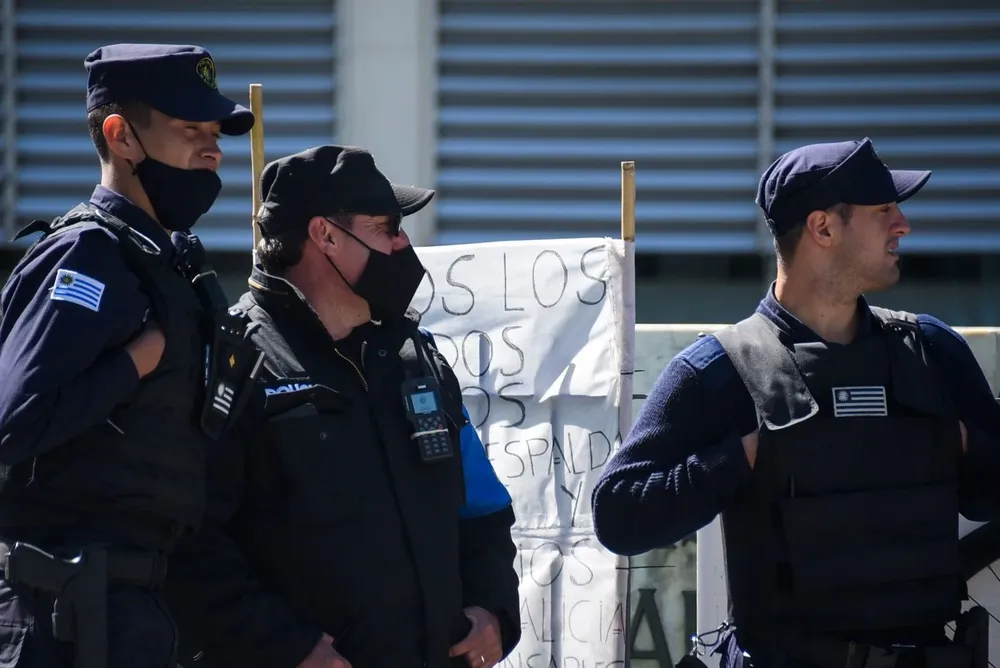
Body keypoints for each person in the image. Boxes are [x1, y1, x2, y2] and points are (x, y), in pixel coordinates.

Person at [591, 138, 1000, 668]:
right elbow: (619, 515)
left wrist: (959, 443)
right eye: (884, 211)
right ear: (823, 228)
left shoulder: (932, 353)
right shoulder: (721, 370)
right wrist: (744, 458)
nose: (903, 225)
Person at [163, 145, 522, 668]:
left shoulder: (414, 357)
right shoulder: (230, 362)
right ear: (325, 236)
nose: (404, 245)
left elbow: (483, 509)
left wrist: (492, 609)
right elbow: (185, 548)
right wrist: (287, 649)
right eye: (387, 228)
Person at [0, 44, 255, 668]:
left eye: (216, 133)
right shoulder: (86, 255)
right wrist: (130, 365)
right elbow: (14, 421)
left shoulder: (175, 268)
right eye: (190, 129)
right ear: (121, 136)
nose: (213, 149)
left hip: (141, 608)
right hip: (59, 615)